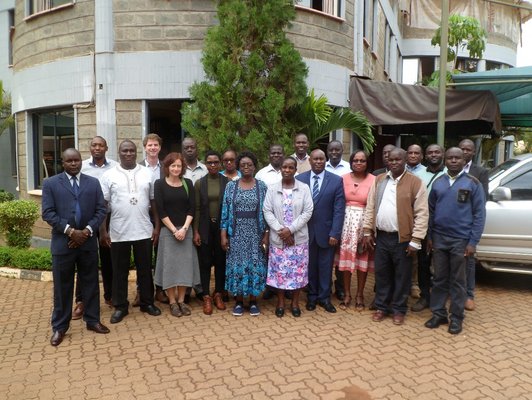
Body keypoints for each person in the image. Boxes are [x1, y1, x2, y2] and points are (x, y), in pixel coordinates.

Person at [42, 148, 109, 346]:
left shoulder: (93, 182)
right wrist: (71, 232)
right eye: (69, 161)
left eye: (77, 160)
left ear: (81, 161)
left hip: (87, 242)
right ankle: (60, 327)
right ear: (63, 162)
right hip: (63, 244)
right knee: (63, 287)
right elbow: (48, 213)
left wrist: (87, 231)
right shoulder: (51, 184)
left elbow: (101, 210)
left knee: (90, 284)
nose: (74, 164)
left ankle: (93, 320)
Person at [363, 148, 428, 326]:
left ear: (405, 160)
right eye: (391, 160)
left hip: (403, 239)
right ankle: (382, 307)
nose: (393, 163)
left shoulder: (415, 183)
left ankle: (399, 310)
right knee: (382, 274)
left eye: (398, 160)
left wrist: (416, 240)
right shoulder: (379, 180)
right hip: (382, 237)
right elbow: (370, 207)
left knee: (402, 276)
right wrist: (367, 230)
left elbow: (422, 213)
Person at [424, 147, 486, 335]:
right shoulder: (439, 183)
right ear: (445, 159)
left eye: (457, 158)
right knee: (439, 278)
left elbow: (479, 215)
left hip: (461, 240)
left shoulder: (473, 183)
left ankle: (457, 318)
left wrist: (472, 242)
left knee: (458, 281)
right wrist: (430, 237)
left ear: (463, 160)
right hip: (440, 238)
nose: (453, 161)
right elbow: (431, 211)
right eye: (449, 157)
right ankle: (438, 313)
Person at [100, 140, 162, 324]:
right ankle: (120, 306)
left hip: (143, 229)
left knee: (145, 269)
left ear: (137, 152)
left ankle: (147, 302)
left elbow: (154, 202)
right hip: (119, 231)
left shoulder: (146, 173)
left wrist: (157, 227)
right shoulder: (109, 175)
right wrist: (103, 231)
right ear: (119, 153)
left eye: (131, 151)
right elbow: (103, 205)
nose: (128, 153)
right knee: (120, 271)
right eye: (125, 150)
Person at [72, 136, 117, 321]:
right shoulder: (81, 166)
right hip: (85, 220)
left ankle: (110, 295)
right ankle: (81, 301)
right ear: (89, 148)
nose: (97, 148)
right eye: (94, 145)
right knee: (85, 261)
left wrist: (105, 228)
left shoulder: (115, 166)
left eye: (101, 145)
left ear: (106, 148)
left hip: (108, 217)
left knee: (108, 259)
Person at [263, 157, 313, 317]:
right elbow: (267, 211)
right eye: (284, 167)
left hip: (298, 240)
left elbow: (308, 211)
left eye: (291, 167)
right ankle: (280, 302)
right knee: (279, 272)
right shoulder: (272, 189)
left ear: (295, 170)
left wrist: (290, 230)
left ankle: (295, 302)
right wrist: (281, 231)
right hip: (279, 239)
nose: (287, 170)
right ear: (281, 169)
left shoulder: (304, 188)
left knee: (298, 273)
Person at [296, 149, 345, 313]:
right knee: (310, 267)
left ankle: (325, 298)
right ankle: (312, 297)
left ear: (326, 161)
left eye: (321, 159)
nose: (318, 162)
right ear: (310, 161)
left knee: (326, 267)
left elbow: (339, 210)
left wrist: (335, 233)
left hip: (327, 233)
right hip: (305, 233)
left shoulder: (336, 181)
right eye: (315, 159)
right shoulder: (300, 179)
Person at [221, 151, 268, 316]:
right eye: (243, 165)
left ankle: (254, 301)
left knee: (254, 265)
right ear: (238, 167)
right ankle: (239, 301)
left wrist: (266, 233)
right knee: (238, 266)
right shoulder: (231, 186)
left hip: (255, 232)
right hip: (236, 233)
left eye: (249, 165)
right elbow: (225, 212)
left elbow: (266, 211)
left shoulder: (261, 186)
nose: (246, 167)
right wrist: (223, 235)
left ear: (254, 166)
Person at [154, 152, 200, 317]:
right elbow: (161, 210)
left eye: (179, 166)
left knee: (184, 268)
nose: (175, 168)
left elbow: (192, 208)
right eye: (172, 165)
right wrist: (174, 230)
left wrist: (185, 229)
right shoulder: (159, 184)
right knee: (170, 268)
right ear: (167, 167)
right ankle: (172, 302)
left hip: (185, 232)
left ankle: (181, 300)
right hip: (169, 232)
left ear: (182, 168)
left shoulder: (187, 183)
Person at [337, 150, 375, 311]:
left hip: (364, 225)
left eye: (362, 160)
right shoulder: (343, 179)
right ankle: (347, 294)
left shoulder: (374, 180)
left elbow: (373, 205)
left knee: (362, 261)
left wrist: (368, 231)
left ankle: (359, 294)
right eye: (355, 160)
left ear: (367, 163)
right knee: (345, 261)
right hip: (345, 226)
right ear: (351, 162)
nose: (359, 163)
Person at [193, 151, 229, 315]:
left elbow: (229, 208)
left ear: (220, 163)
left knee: (221, 261)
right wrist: (196, 232)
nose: (213, 165)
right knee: (205, 262)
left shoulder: (227, 182)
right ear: (205, 164)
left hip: (221, 227)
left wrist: (227, 232)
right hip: (205, 227)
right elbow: (197, 209)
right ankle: (206, 295)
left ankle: (218, 294)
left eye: (216, 162)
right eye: (209, 162)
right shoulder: (200, 183)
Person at [411, 144, 445, 312]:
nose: (433, 155)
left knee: (441, 265)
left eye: (437, 152)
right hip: (423, 224)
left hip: (443, 227)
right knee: (423, 263)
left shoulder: (450, 174)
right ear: (425, 155)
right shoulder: (418, 175)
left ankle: (440, 299)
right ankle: (425, 296)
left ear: (442, 154)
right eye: (430, 152)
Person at [138, 133, 169, 305]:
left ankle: (159, 289)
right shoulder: (137, 167)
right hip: (142, 214)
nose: (152, 148)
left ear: (160, 147)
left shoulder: (165, 167)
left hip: (163, 215)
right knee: (143, 253)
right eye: (149, 145)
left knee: (160, 253)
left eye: (155, 145)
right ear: (145, 147)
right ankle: (141, 290)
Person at [458, 138, 489, 312]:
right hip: (452, 225)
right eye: (462, 148)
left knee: (468, 261)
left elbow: (481, 201)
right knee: (450, 262)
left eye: (468, 149)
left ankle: (469, 295)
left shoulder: (480, 172)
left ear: (473, 152)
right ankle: (451, 291)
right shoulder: (450, 169)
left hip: (468, 225)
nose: (464, 152)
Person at [182, 136, 208, 302]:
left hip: (199, 218)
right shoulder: (178, 168)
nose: (190, 150)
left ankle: (199, 288)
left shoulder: (205, 169)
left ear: (196, 149)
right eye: (186, 148)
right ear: (182, 150)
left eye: (192, 147)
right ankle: (185, 289)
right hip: (181, 218)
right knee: (185, 255)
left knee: (199, 255)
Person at [325, 140, 350, 301]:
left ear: (342, 150)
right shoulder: (321, 165)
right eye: (331, 150)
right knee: (326, 256)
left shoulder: (348, 168)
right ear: (327, 151)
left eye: (337, 149)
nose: (334, 152)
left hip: (345, 217)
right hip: (325, 218)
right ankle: (326, 286)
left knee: (341, 255)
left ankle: (340, 287)